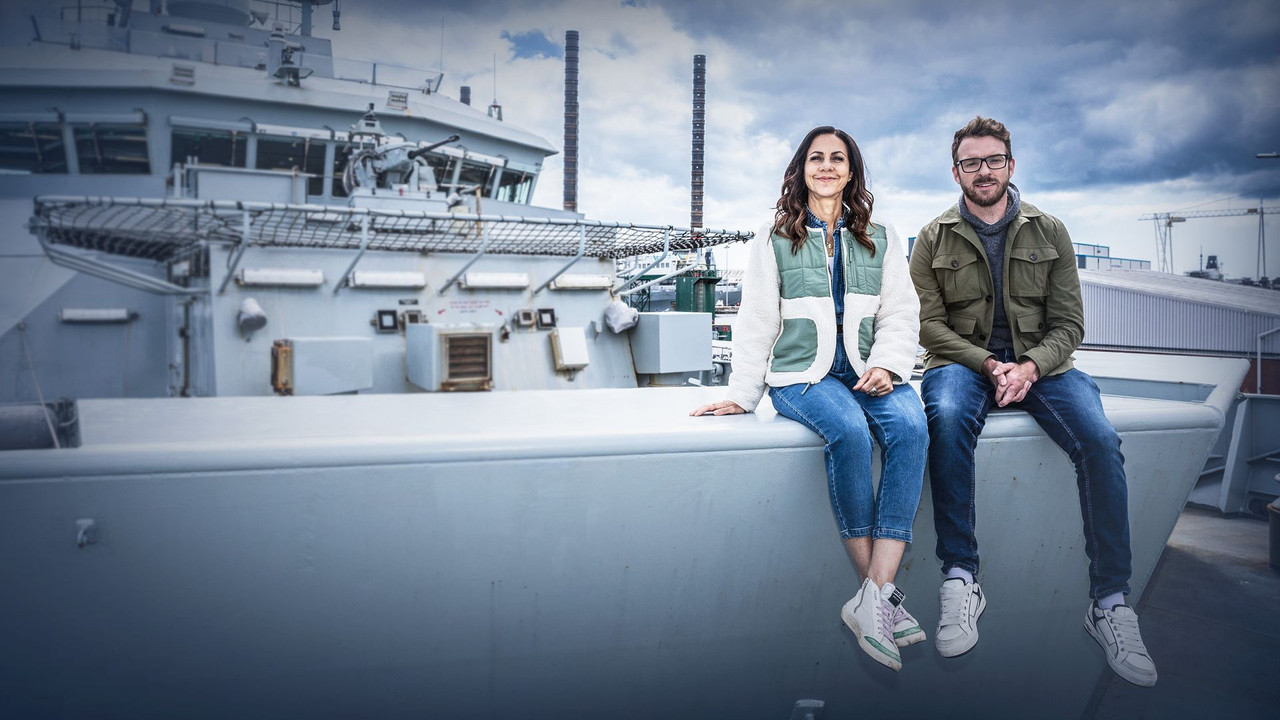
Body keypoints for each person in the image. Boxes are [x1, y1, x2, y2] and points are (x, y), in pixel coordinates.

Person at [908, 116, 1157, 687]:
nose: (983, 171)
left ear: (1011, 165)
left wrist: (1029, 367)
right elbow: (928, 326)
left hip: (1043, 366)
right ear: (956, 172)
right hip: (964, 364)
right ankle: (960, 578)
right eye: (971, 162)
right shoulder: (932, 237)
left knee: (1100, 440)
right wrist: (988, 364)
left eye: (993, 160)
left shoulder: (1051, 231)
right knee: (945, 416)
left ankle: (1110, 604)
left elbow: (1070, 324)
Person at [692, 126, 928, 672]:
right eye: (816, 157)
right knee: (848, 431)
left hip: (869, 370)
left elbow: (901, 312)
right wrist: (742, 395)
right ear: (802, 169)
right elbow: (756, 319)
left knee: (913, 429)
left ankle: (873, 596)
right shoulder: (774, 236)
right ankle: (880, 598)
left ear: (851, 171)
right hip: (803, 374)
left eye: (837, 158)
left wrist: (888, 365)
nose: (826, 166)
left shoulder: (882, 235)